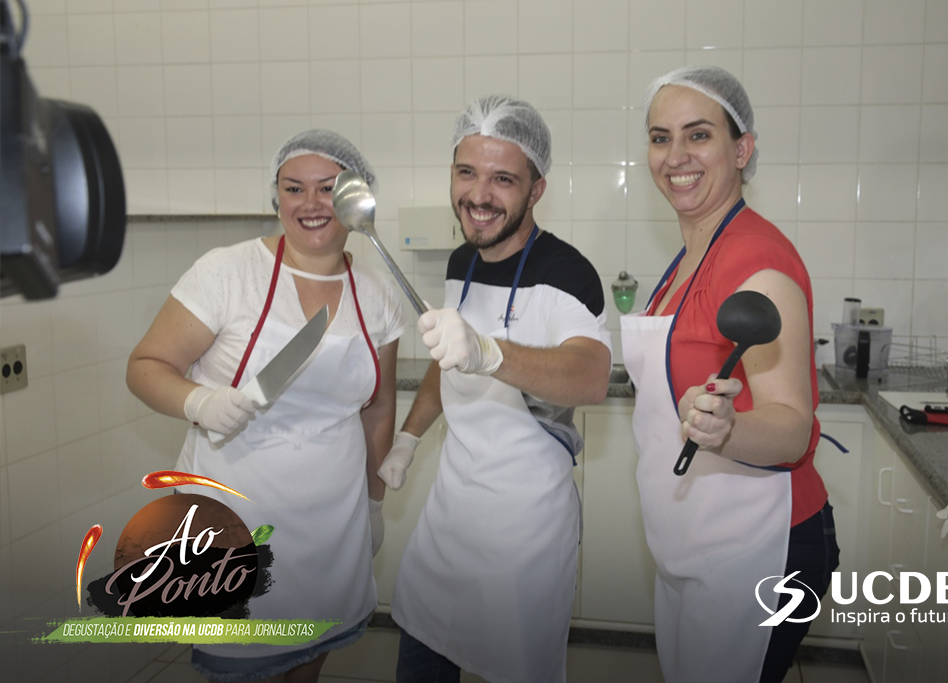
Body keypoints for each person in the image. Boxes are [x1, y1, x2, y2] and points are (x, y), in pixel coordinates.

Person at [126, 130, 405, 683]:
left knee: (309, 664)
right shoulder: (227, 273)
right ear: (276, 196)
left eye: (328, 188)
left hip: (333, 526)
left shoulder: (377, 292)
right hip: (237, 522)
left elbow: (378, 408)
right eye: (293, 187)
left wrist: (374, 504)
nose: (310, 203)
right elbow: (144, 366)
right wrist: (198, 401)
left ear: (358, 197)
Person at [376, 95, 612, 683]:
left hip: (523, 532)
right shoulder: (463, 262)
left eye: (503, 179)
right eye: (466, 172)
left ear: (536, 189)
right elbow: (448, 361)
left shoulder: (567, 273)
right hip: (449, 516)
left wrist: (492, 352)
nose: (479, 195)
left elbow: (589, 376)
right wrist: (408, 438)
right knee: (420, 662)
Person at [622, 66, 840, 683]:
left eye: (698, 135)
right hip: (697, 543)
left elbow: (792, 427)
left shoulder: (755, 260)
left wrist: (728, 429)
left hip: (760, 545)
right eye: (660, 137)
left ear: (741, 150)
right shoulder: (692, 253)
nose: (676, 156)